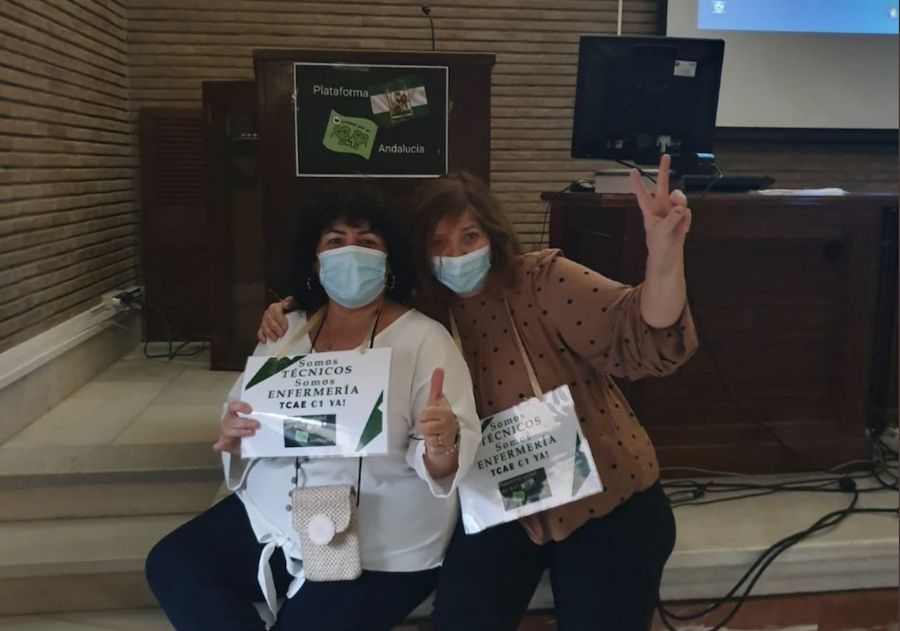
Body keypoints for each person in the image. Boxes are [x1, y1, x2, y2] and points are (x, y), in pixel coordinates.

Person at [258, 156, 698, 630]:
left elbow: (642, 328)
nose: (456, 254)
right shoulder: (420, 314)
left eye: (469, 236)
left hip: (605, 502)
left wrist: (664, 256)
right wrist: (290, 311)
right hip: (502, 508)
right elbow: (343, 327)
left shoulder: (541, 280)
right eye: (438, 243)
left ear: (493, 235)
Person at [146, 191, 480, 631]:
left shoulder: (423, 339)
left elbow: (443, 460)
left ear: (390, 259)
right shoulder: (286, 331)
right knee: (173, 564)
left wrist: (441, 444)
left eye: (368, 242)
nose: (352, 252)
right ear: (315, 261)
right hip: (276, 519)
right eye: (335, 242)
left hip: (382, 543)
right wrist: (235, 431)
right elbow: (243, 413)